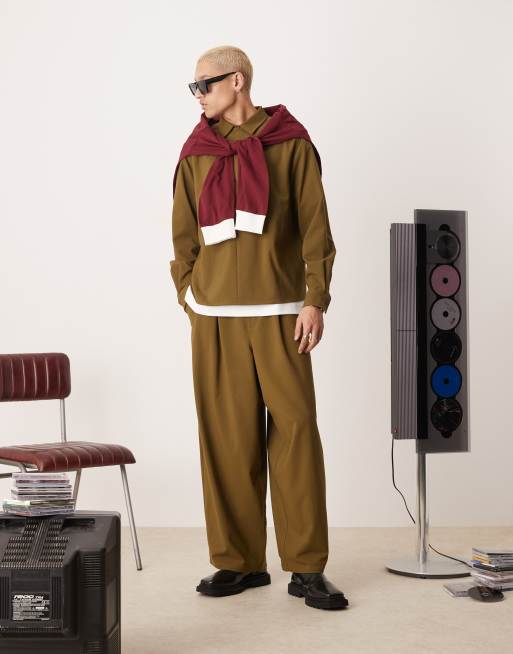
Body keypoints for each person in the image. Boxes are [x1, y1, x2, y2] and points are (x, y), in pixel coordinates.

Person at [170, 45, 348, 611]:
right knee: (226, 439)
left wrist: (315, 299)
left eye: (204, 85)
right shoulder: (196, 152)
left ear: (237, 81)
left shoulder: (291, 144)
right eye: (194, 87)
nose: (198, 96)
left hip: (282, 312)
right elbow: (182, 235)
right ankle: (238, 561)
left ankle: (307, 567)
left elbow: (316, 227)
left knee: (296, 436)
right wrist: (189, 294)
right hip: (215, 318)